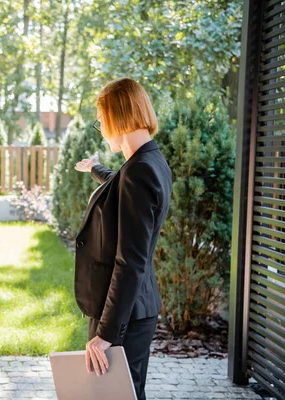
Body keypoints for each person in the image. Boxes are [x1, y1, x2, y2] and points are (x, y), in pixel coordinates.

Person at [74, 77, 172, 400]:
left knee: (117, 396)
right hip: (132, 310)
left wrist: (105, 334)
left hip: (122, 317)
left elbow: (130, 261)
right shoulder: (148, 163)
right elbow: (118, 184)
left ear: (118, 115)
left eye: (101, 119)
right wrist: (95, 168)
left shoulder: (139, 173)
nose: (100, 127)